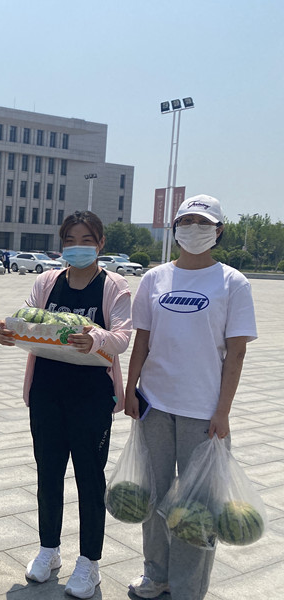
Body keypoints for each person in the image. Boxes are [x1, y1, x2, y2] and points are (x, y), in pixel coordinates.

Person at [124, 195, 256, 600]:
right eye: (187, 221)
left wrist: (223, 411)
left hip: (203, 411)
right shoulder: (155, 278)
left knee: (197, 508)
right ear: (175, 228)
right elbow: (142, 340)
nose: (194, 229)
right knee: (153, 495)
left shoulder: (232, 282)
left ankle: (187, 588)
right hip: (155, 405)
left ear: (218, 231)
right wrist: (130, 389)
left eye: (203, 222)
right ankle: (156, 574)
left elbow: (236, 353)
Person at [0, 210, 132, 599]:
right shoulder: (47, 282)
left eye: (87, 240)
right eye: (70, 240)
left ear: (100, 243)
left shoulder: (113, 285)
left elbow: (123, 335)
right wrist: (8, 332)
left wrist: (97, 339)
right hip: (47, 391)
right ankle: (48, 549)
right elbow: (27, 319)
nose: (77, 247)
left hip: (91, 395)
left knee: (90, 477)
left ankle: (89, 562)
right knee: (49, 473)